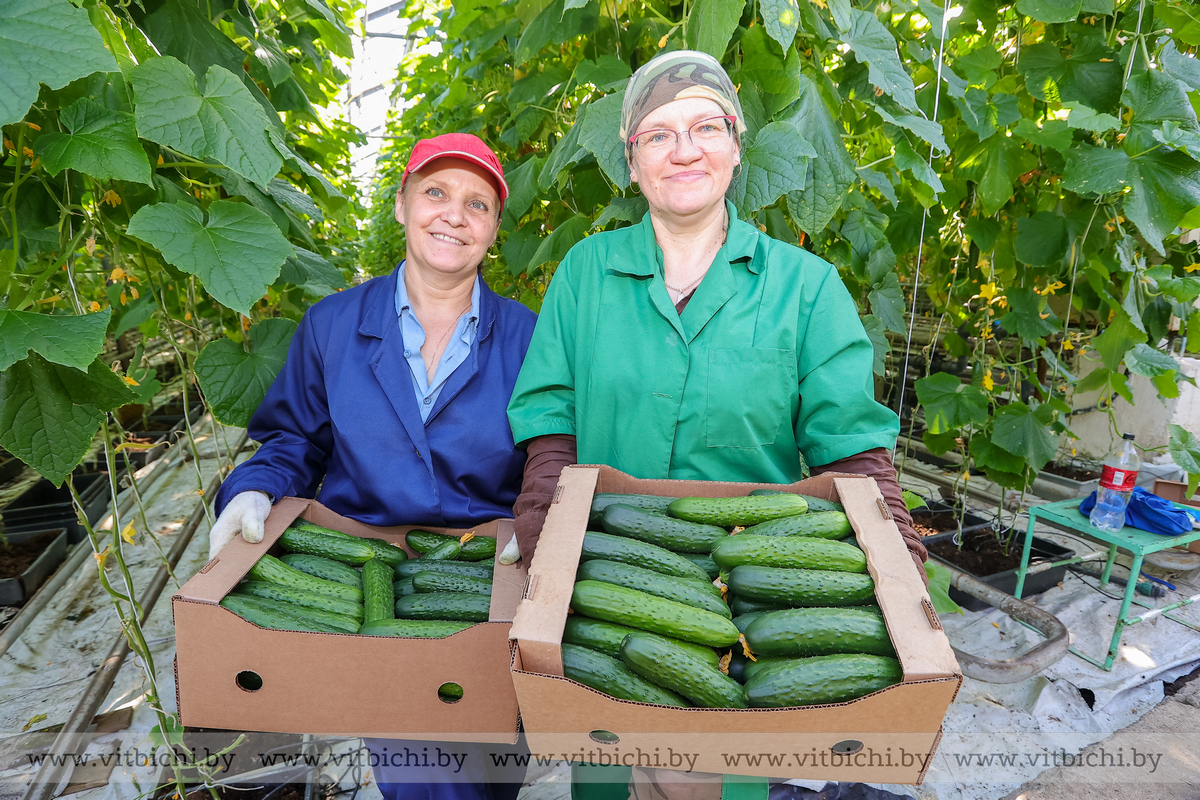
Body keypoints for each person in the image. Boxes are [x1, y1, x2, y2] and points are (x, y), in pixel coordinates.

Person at [505, 50, 928, 800]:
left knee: (720, 784)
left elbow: (854, 455)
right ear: (631, 162)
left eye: (706, 126)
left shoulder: (806, 287)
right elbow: (551, 423)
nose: (685, 149)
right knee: (604, 779)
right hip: (611, 580)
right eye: (658, 135)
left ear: (736, 145)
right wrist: (546, 540)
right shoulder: (584, 272)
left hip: (749, 606)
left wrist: (902, 580)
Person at [209, 133, 535, 800]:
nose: (453, 214)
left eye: (477, 204)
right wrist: (253, 491)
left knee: (500, 768)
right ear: (401, 205)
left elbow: (549, 458)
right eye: (435, 193)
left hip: (493, 588)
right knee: (425, 779)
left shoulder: (531, 336)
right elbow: (293, 441)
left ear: (494, 229)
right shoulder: (331, 325)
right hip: (370, 587)